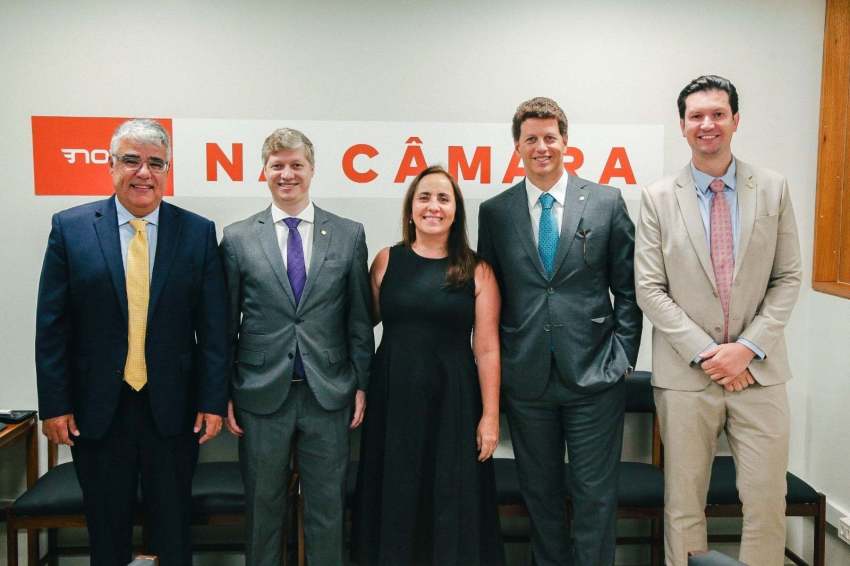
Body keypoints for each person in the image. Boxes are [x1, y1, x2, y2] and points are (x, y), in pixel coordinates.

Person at [35, 118, 228, 566]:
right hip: (97, 409)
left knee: (174, 527)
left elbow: (214, 327)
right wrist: (55, 404)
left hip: (174, 409)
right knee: (107, 527)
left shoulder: (197, 232)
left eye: (155, 163)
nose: (144, 172)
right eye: (131, 160)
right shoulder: (71, 228)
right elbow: (52, 325)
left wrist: (213, 401)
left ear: (167, 171)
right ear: (110, 165)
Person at [635, 75, 802, 566]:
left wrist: (746, 348)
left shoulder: (772, 189)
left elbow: (788, 277)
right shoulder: (658, 197)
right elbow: (649, 287)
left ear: (735, 121)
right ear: (682, 127)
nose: (707, 124)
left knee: (767, 502)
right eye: (696, 116)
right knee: (685, 505)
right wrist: (713, 355)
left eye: (717, 114)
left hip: (761, 373)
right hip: (687, 376)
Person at [477, 97, 642, 565]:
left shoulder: (606, 202)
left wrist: (622, 356)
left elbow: (627, 289)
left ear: (565, 142)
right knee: (541, 497)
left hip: (594, 375)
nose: (541, 146)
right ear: (517, 147)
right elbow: (489, 295)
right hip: (527, 377)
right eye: (531, 139)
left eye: (550, 137)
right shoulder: (496, 212)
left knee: (594, 498)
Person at [221, 127, 373, 566]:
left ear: (312, 170)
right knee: (263, 511)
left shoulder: (348, 234)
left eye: (296, 165)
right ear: (263, 172)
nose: (287, 174)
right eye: (277, 166)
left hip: (328, 393)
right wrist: (224, 391)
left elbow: (359, 319)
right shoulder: (236, 238)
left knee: (327, 511)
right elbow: (224, 326)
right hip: (259, 394)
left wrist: (360, 383)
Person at [353, 165, 504, 565]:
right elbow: (358, 325)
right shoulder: (386, 260)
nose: (433, 206)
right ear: (410, 209)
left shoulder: (478, 270)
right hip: (392, 398)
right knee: (396, 493)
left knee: (449, 498)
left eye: (443, 198)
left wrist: (490, 416)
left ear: (456, 212)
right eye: (424, 197)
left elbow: (487, 348)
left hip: (453, 401)